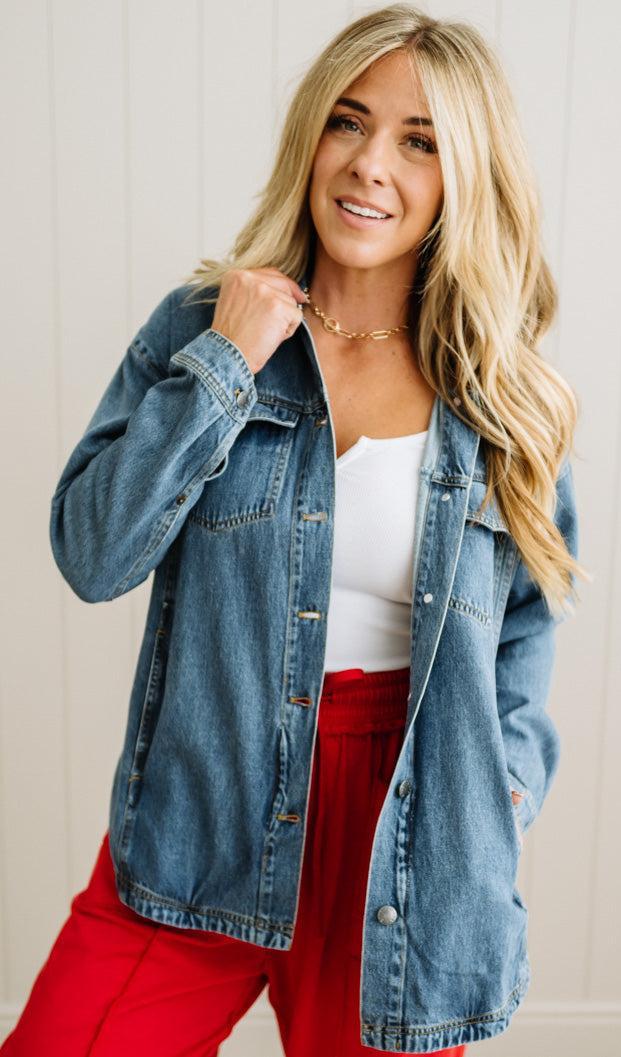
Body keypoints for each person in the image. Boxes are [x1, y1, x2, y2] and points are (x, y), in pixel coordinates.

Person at [1, 4, 590, 1055]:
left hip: (401, 841)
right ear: (310, 134)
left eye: (419, 142)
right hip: (204, 811)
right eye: (349, 123)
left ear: (464, 174)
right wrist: (227, 366)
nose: (370, 166)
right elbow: (93, 556)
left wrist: (500, 788)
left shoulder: (504, 393)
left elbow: (527, 627)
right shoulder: (203, 326)